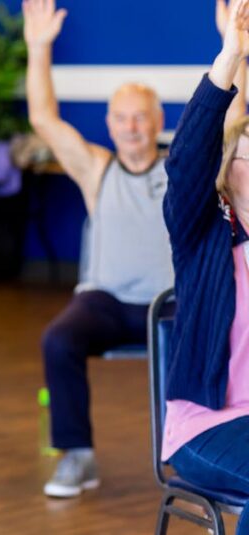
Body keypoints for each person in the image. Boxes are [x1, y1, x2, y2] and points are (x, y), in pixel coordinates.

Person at [23, 0, 175, 498]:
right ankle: (77, 456)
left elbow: (234, 123)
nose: (132, 127)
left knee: (223, 332)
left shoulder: (183, 169)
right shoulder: (96, 169)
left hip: (171, 303)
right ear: (109, 124)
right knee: (57, 339)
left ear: (158, 122)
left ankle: (202, 454)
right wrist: (38, 47)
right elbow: (44, 119)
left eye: (141, 118)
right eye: (122, 119)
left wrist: (236, 52)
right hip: (105, 302)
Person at [162, 0, 249, 532]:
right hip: (207, 427)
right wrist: (231, 55)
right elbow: (188, 157)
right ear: (231, 166)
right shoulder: (205, 235)